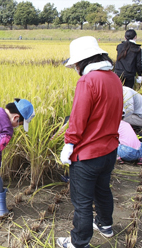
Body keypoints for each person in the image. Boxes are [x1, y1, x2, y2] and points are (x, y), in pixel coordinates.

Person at [57, 36, 123, 248]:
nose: (75, 67)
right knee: (103, 190)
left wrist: (69, 143)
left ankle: (79, 243)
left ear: (83, 61)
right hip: (110, 150)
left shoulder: (88, 81)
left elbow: (78, 117)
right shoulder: (113, 78)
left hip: (88, 155)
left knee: (82, 201)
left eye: (76, 63)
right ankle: (105, 225)